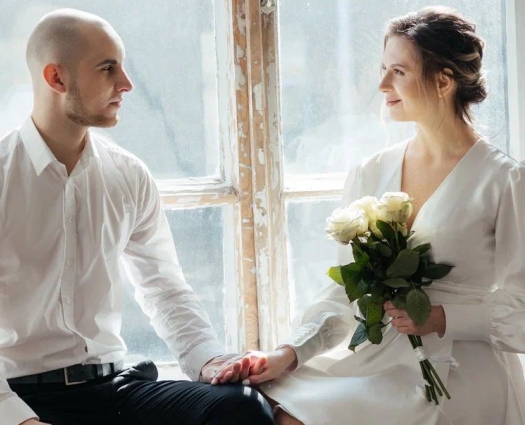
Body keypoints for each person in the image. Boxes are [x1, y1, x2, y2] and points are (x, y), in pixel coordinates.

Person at [0, 9, 273, 425]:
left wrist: (208, 359)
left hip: (116, 389)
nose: (126, 83)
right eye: (108, 69)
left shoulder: (128, 175)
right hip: (24, 398)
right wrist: (12, 417)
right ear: (57, 78)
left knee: (242, 407)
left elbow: (164, 288)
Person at [211, 6, 525, 425]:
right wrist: (289, 352)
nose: (381, 85)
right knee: (252, 408)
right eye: (383, 69)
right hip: (377, 358)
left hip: (459, 370)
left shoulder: (505, 180)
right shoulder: (371, 171)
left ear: (443, 81)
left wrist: (441, 317)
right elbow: (347, 292)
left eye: (398, 71)